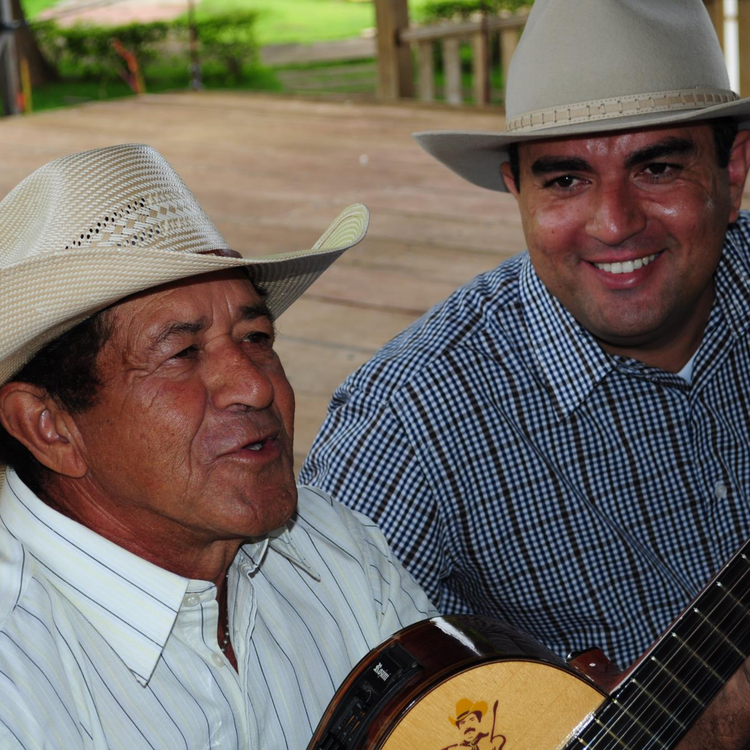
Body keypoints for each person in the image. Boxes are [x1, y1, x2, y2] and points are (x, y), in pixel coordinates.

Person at [300, 0, 750, 745]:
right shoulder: (414, 419)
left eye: (658, 167)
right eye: (565, 181)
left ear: (731, 172)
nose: (613, 222)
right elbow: (310, 690)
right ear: (516, 191)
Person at [0, 143, 435, 750]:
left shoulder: (333, 549)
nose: (257, 385)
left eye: (256, 336)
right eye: (181, 353)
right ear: (50, 426)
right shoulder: (15, 683)